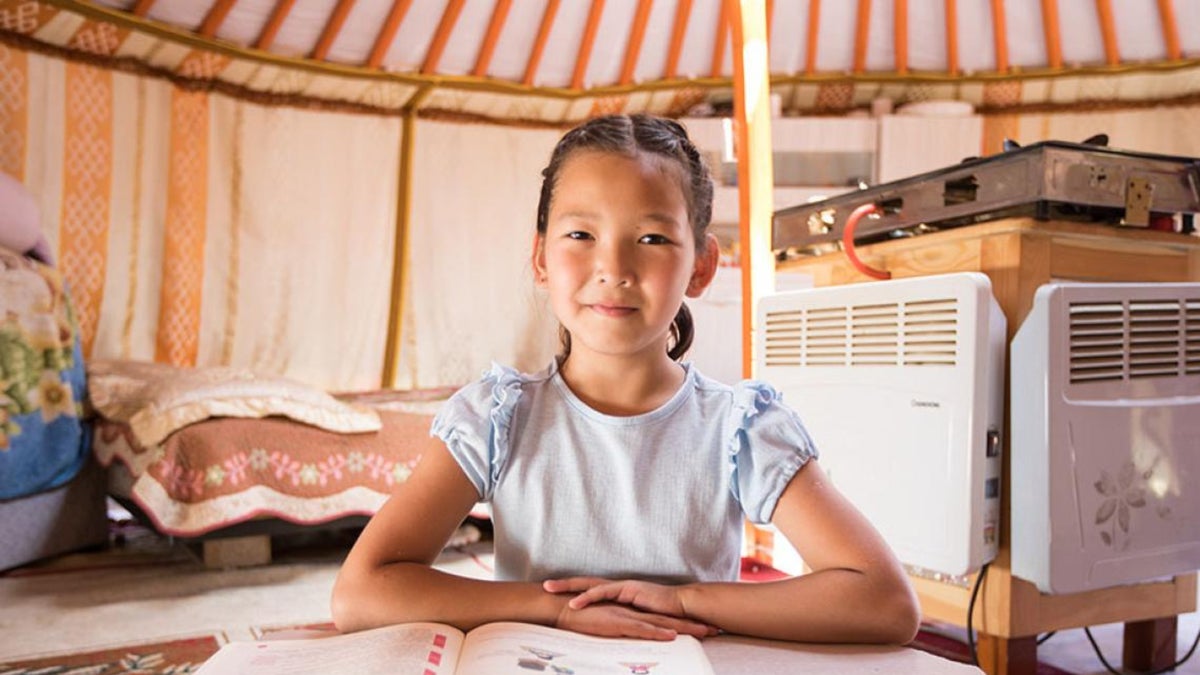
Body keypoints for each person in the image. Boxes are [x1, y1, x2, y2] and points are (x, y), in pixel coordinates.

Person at [332, 114, 920, 645]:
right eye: (581, 235)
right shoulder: (498, 417)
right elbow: (361, 593)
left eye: (653, 239)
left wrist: (684, 600)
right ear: (540, 259)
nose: (613, 269)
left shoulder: (739, 428)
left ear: (702, 266)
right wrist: (554, 609)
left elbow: (884, 600)